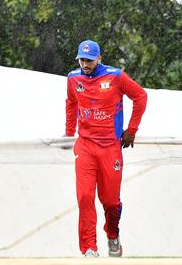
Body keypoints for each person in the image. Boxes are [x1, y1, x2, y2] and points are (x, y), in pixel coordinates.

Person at [65, 40, 147, 258]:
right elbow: (71, 102)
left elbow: (140, 96)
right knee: (84, 197)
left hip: (111, 146)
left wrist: (132, 129)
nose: (85, 64)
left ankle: (112, 234)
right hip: (85, 146)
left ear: (99, 58)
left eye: (90, 60)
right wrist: (67, 132)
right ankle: (89, 248)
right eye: (82, 60)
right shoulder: (73, 78)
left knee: (110, 201)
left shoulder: (116, 76)